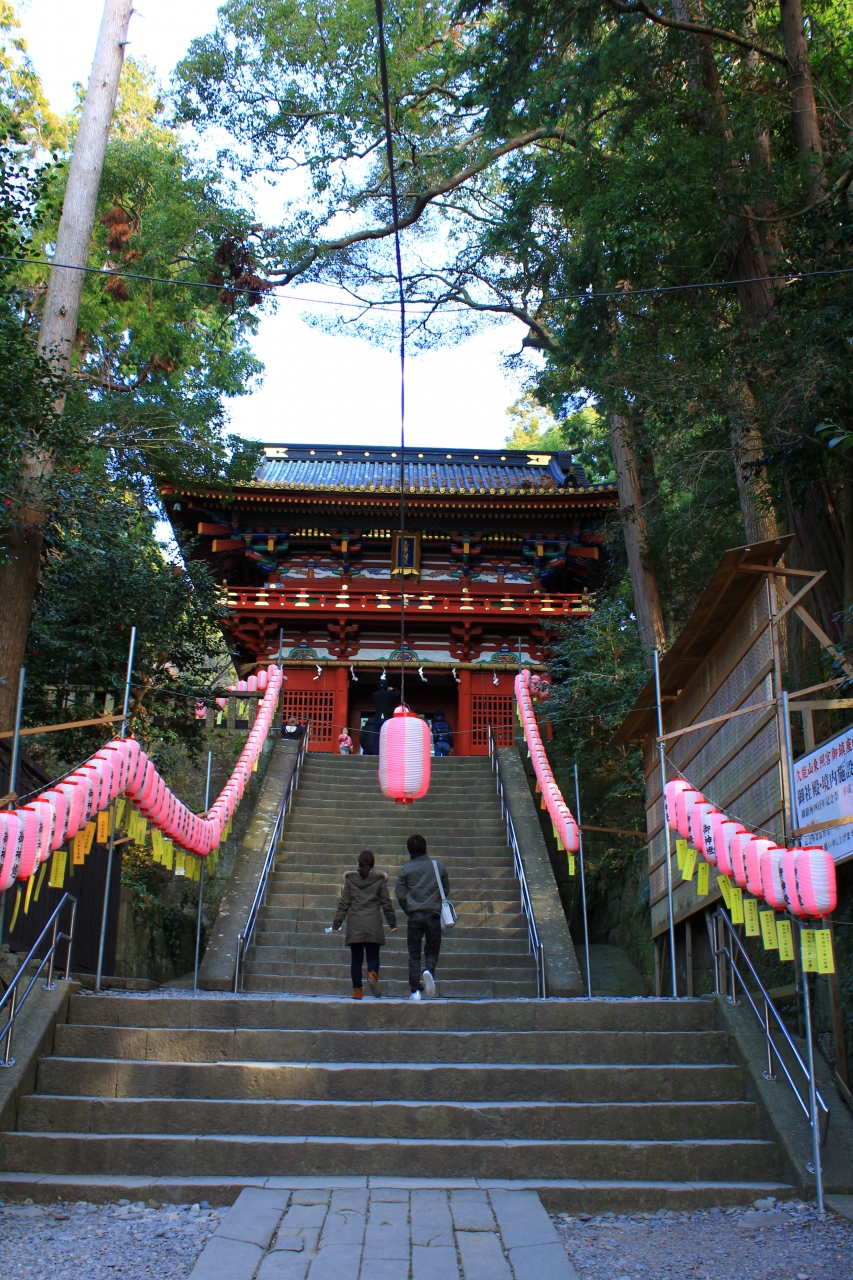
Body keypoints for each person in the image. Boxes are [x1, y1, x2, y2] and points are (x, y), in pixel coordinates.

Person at [331, 849, 397, 999]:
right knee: (373, 956)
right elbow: (386, 903)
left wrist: (336, 924)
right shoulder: (379, 880)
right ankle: (372, 974)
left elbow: (344, 904)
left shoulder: (350, 880)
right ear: (373, 863)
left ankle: (357, 991)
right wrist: (392, 923)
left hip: (355, 924)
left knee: (356, 960)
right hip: (373, 923)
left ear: (359, 863)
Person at [395, 833, 449, 1001]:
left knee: (414, 954)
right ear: (425, 847)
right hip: (434, 914)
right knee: (432, 950)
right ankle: (429, 971)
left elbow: (400, 894)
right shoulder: (438, 867)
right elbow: (445, 889)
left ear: (409, 850)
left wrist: (410, 908)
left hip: (415, 915)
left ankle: (415, 991)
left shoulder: (405, 869)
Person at [371, 682, 401, 753]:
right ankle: (387, 753)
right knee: (388, 737)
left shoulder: (375, 694)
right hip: (387, 717)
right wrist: (392, 689)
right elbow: (398, 693)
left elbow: (374, 703)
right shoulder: (389, 694)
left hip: (378, 717)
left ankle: (375, 753)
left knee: (376, 737)